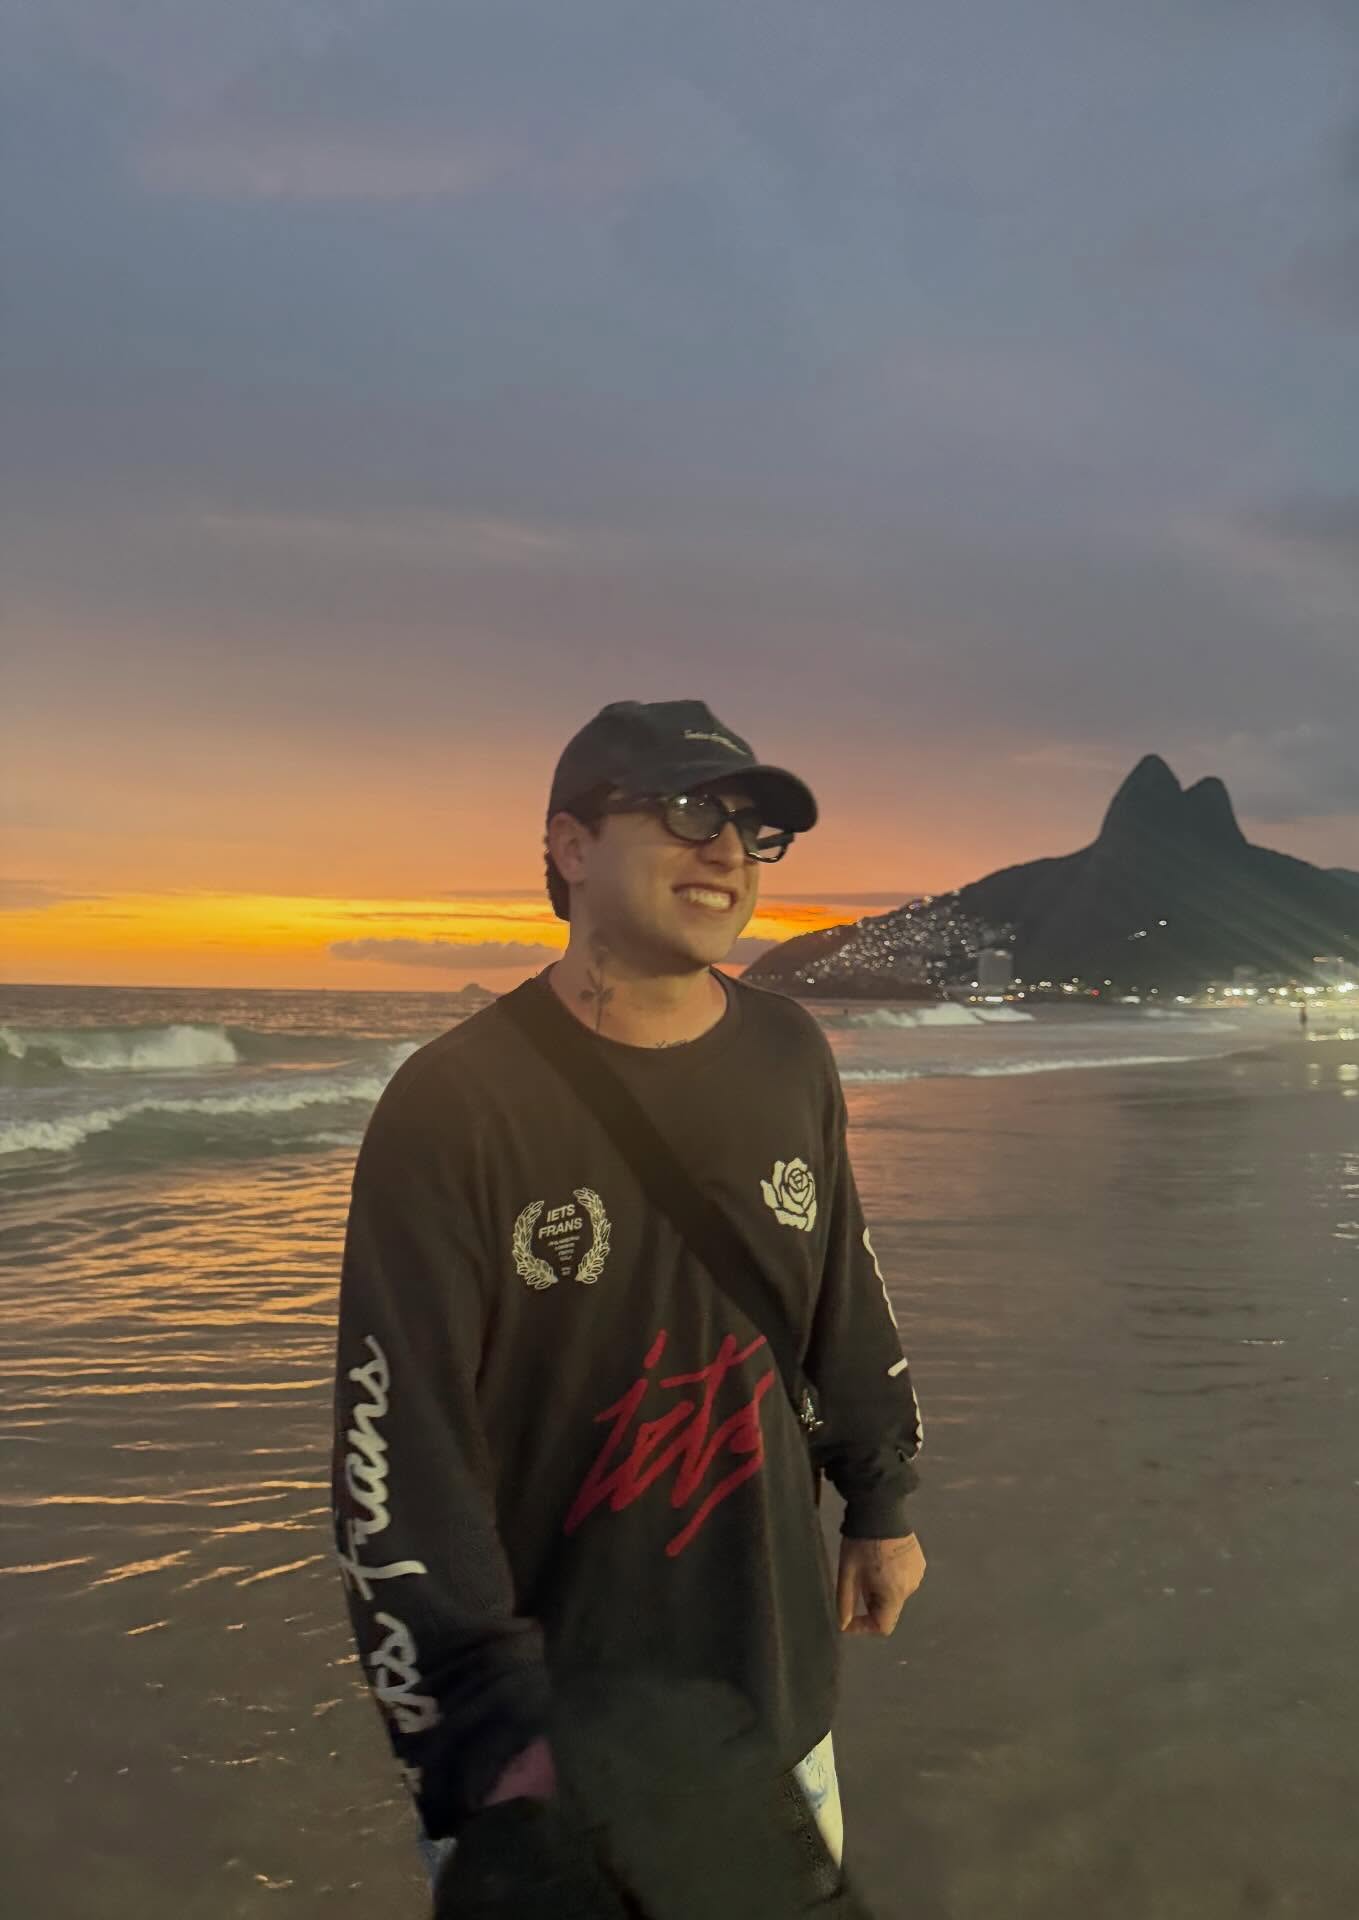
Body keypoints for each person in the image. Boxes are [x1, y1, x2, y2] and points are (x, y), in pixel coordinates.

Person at [332, 698, 926, 1902]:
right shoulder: (456, 1103)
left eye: (753, 828)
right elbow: (400, 1450)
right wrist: (495, 1736)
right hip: (561, 1739)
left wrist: (880, 1499)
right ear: (569, 844)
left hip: (773, 1693)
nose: (727, 851)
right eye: (688, 811)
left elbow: (841, 1293)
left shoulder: (789, 1055)